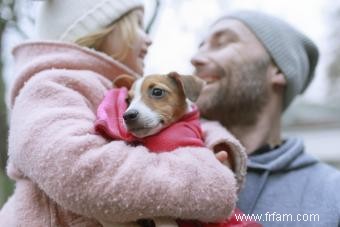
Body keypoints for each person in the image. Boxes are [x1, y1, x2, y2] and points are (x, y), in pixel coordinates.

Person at [0, 0, 248, 226]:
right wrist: (204, 176)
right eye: (138, 25)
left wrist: (216, 146)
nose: (149, 38)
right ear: (101, 31)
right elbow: (83, 172)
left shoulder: (117, 89)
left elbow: (188, 119)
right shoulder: (48, 88)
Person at [191, 10, 340, 226]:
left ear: (278, 70)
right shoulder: (161, 164)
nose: (195, 59)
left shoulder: (332, 195)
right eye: (201, 46)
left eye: (222, 42)